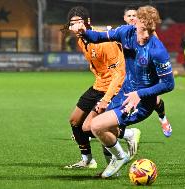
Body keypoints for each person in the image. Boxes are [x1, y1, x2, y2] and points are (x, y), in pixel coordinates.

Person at [69, 5, 175, 177]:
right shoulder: (126, 32)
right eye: (143, 29)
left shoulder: (157, 50)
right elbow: (99, 36)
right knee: (88, 126)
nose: (146, 35)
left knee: (97, 126)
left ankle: (120, 157)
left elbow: (169, 84)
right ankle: (123, 146)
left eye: (150, 30)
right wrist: (83, 31)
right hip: (123, 93)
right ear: (136, 23)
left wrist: (139, 94)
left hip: (140, 102)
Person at [62, 6, 141, 169]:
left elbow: (118, 74)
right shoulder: (80, 40)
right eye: (72, 23)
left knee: (90, 127)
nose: (76, 26)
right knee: (75, 121)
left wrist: (106, 99)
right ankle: (88, 160)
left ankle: (128, 134)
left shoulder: (104, 42)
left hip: (114, 88)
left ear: (87, 22)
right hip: (98, 85)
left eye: (79, 22)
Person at [123, 5, 172, 137]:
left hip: (146, 71)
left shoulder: (146, 32)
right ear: (124, 18)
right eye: (129, 16)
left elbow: (155, 46)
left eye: (134, 15)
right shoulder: (124, 32)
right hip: (128, 73)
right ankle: (100, 127)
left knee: (154, 100)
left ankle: (163, 118)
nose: (132, 18)